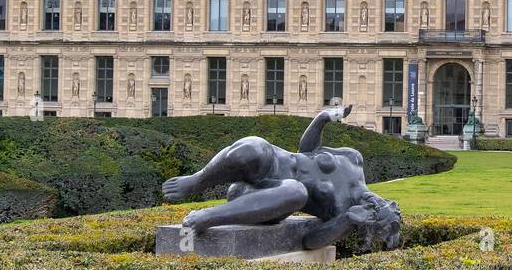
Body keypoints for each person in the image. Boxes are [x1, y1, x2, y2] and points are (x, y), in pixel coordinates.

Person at [161, 104, 401, 251]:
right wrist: (322, 118)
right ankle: (198, 180)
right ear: (388, 201)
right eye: (384, 205)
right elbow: (307, 151)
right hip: (275, 161)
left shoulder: (343, 212)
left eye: (376, 214)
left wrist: (348, 221)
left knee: (297, 192)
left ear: (369, 219)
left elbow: (310, 242)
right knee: (254, 146)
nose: (377, 204)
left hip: (266, 197)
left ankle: (206, 218)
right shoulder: (354, 160)